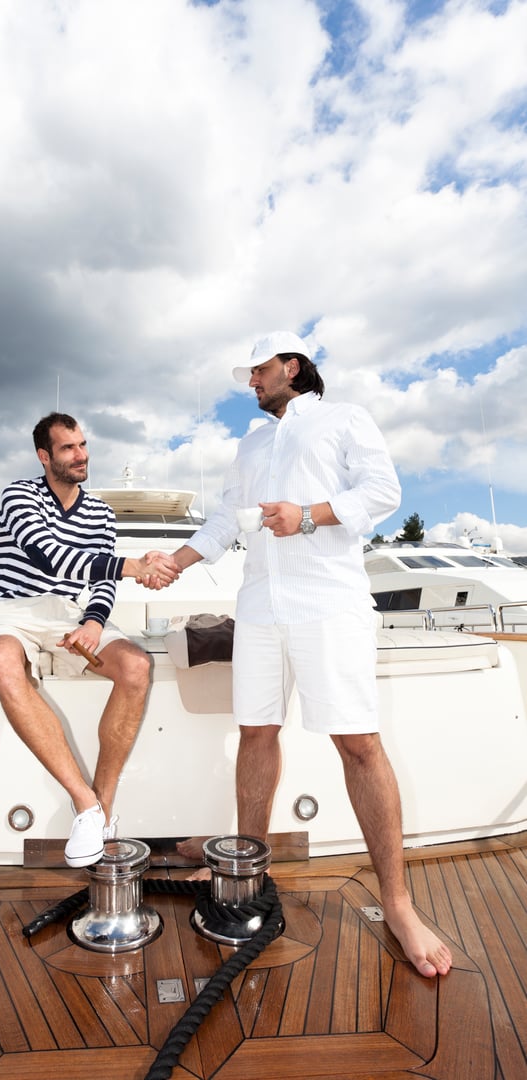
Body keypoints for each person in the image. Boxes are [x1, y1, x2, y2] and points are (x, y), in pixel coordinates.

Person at [155, 330, 453, 979]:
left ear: (290, 366)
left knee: (358, 744)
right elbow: (223, 522)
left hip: (329, 601)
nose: (251, 383)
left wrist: (309, 515)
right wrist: (170, 563)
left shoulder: (345, 420)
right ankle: (245, 870)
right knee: (255, 733)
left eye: (258, 371)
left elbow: (382, 492)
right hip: (260, 602)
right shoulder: (251, 442)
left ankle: (398, 905)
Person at [0, 411, 178, 868]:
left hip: (70, 615)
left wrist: (95, 623)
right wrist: (133, 566)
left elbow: (100, 584)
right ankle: (83, 802)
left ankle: (101, 809)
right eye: (68, 448)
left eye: (83, 445)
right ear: (44, 456)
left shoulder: (101, 512)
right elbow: (49, 557)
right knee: (2, 661)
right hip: (13, 609)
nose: (81, 455)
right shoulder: (19, 495)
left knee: (136, 667)